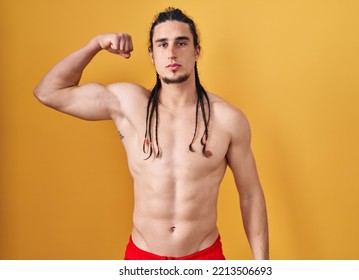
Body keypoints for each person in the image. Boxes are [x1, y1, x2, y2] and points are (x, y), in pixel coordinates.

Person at [34, 7, 269, 260]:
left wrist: (262, 269)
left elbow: (251, 195)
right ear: (152, 55)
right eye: (162, 44)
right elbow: (49, 92)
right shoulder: (128, 104)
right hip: (143, 257)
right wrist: (95, 45)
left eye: (181, 43)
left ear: (196, 51)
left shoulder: (227, 119)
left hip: (203, 257)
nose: (171, 53)